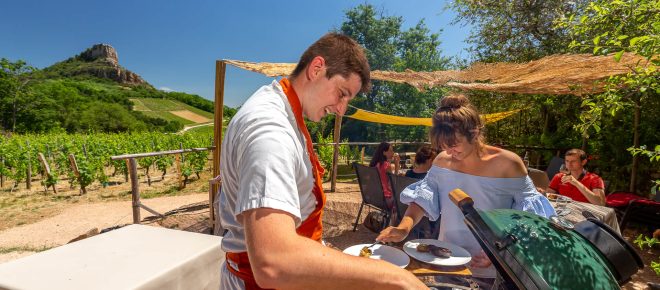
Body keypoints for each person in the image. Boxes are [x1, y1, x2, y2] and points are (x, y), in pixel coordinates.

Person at [218, 33, 426, 290]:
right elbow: (274, 261)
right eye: (342, 93)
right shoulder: (270, 131)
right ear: (317, 69)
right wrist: (394, 276)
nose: (341, 109)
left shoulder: (286, 111)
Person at [376, 94, 555, 287]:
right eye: (444, 146)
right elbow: (422, 200)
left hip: (492, 268)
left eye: (454, 145)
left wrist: (502, 250)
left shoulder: (508, 164)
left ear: (475, 132)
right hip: (447, 260)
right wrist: (404, 228)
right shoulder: (441, 162)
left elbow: (529, 218)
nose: (449, 152)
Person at [369, 141, 400, 211]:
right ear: (384, 152)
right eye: (390, 151)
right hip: (385, 199)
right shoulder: (386, 165)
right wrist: (397, 165)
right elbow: (394, 182)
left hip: (373, 197)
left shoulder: (375, 164)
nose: (393, 153)